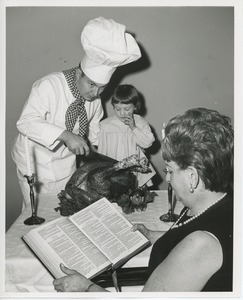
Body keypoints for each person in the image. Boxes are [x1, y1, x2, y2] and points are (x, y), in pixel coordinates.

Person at [53, 107, 233, 292]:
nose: (168, 179)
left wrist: (85, 287)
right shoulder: (219, 203)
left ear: (192, 176)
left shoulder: (200, 245)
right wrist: (152, 236)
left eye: (170, 170)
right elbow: (186, 235)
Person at [11, 17, 141, 207]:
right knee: (39, 214)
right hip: (35, 165)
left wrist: (126, 142)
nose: (95, 93)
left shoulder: (94, 102)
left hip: (66, 167)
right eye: (91, 84)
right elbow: (25, 122)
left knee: (66, 209)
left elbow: (97, 136)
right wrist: (65, 135)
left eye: (102, 88)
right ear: (78, 73)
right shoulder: (49, 85)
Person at [98, 84, 156, 187]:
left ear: (135, 107)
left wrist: (134, 128)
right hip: (114, 169)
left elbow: (147, 143)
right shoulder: (106, 125)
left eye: (127, 109)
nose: (122, 113)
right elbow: (102, 151)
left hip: (134, 169)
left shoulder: (140, 122)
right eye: (118, 109)